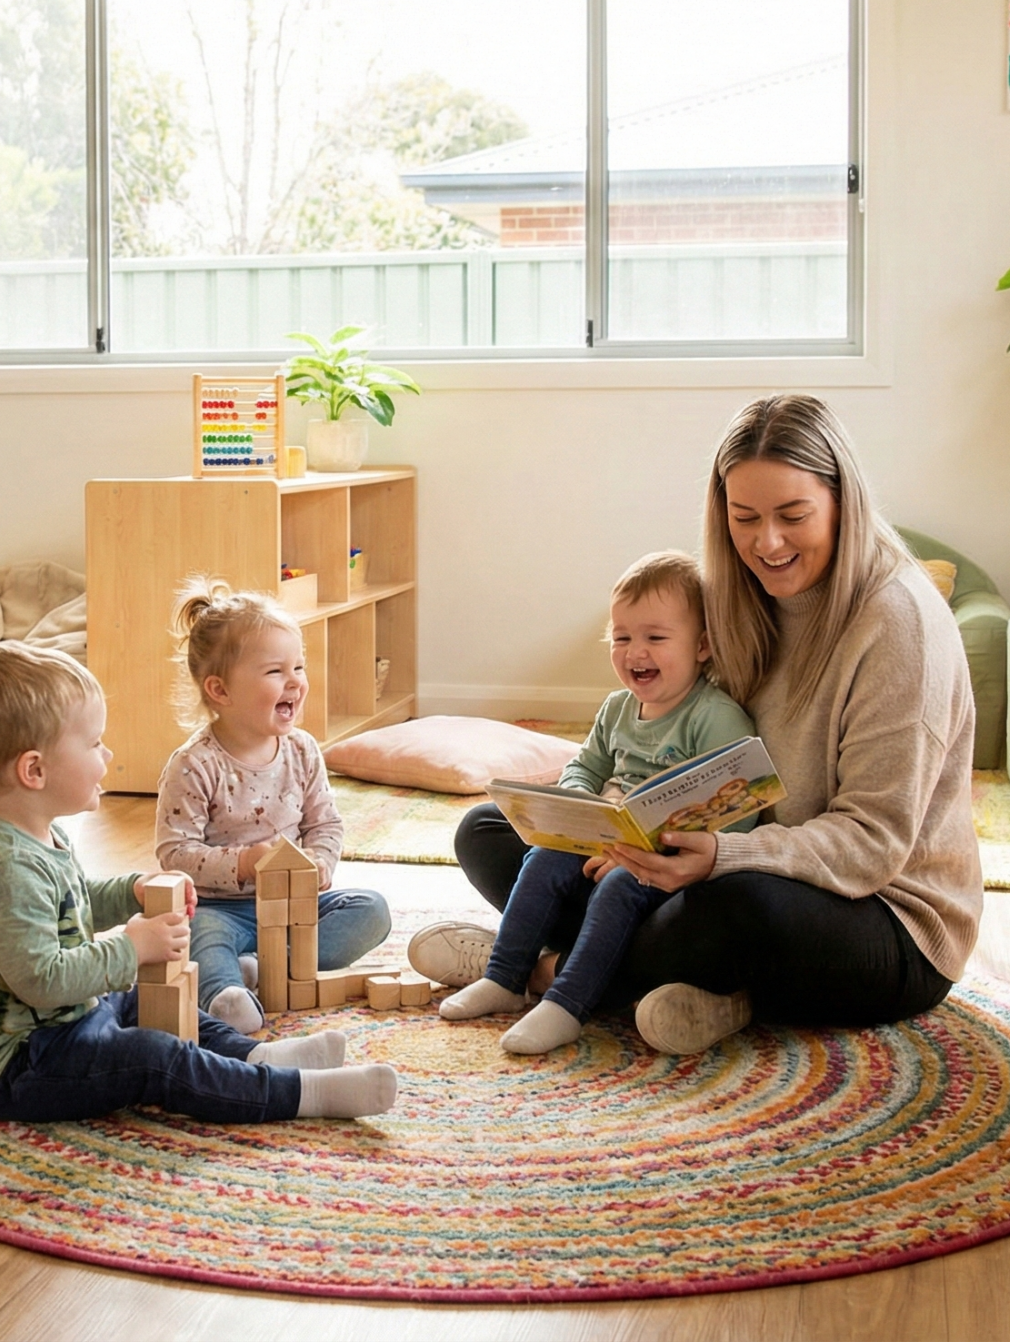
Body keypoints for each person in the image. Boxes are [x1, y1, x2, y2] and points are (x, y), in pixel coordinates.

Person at [414, 393, 980, 1054]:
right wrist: (608, 827)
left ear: (842, 503)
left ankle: (541, 968)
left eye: (793, 516)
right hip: (716, 859)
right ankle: (679, 988)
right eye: (745, 519)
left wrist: (720, 857)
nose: (767, 543)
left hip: (882, 918)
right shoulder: (738, 595)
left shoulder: (898, 620)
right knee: (491, 832)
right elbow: (665, 734)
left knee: (735, 911)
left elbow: (874, 843)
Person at [0, 640, 397, 1122]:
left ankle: (255, 1055)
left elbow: (72, 903)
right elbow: (44, 981)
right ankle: (298, 1095)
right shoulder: (3, 868)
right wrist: (132, 947)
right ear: (34, 770)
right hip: (12, 1067)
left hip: (59, 1024)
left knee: (143, 1001)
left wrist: (131, 890)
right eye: (93, 744)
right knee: (154, 1057)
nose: (107, 753)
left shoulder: (35, 835)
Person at [436, 551, 758, 1054]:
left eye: (655, 637)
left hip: (663, 870)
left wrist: (663, 856)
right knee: (537, 854)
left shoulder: (713, 716)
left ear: (703, 646)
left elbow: (741, 812)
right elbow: (584, 768)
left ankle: (566, 1003)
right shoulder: (616, 709)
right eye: (622, 636)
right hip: (600, 847)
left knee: (621, 888)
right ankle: (505, 977)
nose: (635, 651)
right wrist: (576, 807)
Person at [153, 580, 392, 1032]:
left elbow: (326, 823)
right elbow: (173, 855)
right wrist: (243, 863)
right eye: (275, 672)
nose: (296, 682)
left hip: (294, 905)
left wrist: (320, 863)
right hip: (220, 907)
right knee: (200, 937)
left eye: (298, 667)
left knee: (371, 909)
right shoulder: (194, 764)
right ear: (220, 691)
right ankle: (225, 994)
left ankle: (266, 969)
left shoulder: (302, 750)